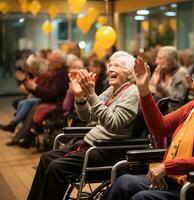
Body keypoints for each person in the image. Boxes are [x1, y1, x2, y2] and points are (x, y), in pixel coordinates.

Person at [103, 53, 194, 200]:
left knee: (142, 197)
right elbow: (160, 127)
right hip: (175, 179)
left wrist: (169, 167)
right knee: (124, 182)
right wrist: (144, 89)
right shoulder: (193, 107)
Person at [27, 51, 139, 200]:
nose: (110, 69)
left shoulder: (132, 93)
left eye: (117, 66)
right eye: (110, 65)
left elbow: (114, 124)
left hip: (108, 150)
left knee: (56, 168)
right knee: (46, 158)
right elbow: (87, 116)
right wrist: (80, 96)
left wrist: (91, 95)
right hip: (92, 144)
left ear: (130, 72)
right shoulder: (112, 90)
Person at [0, 54, 48, 133]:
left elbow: (32, 89)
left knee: (24, 102)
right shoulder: (38, 76)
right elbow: (27, 88)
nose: (29, 69)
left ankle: (15, 125)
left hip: (40, 98)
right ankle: (17, 127)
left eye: (30, 67)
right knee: (21, 102)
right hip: (35, 96)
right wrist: (25, 82)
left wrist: (25, 82)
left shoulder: (42, 76)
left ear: (36, 68)